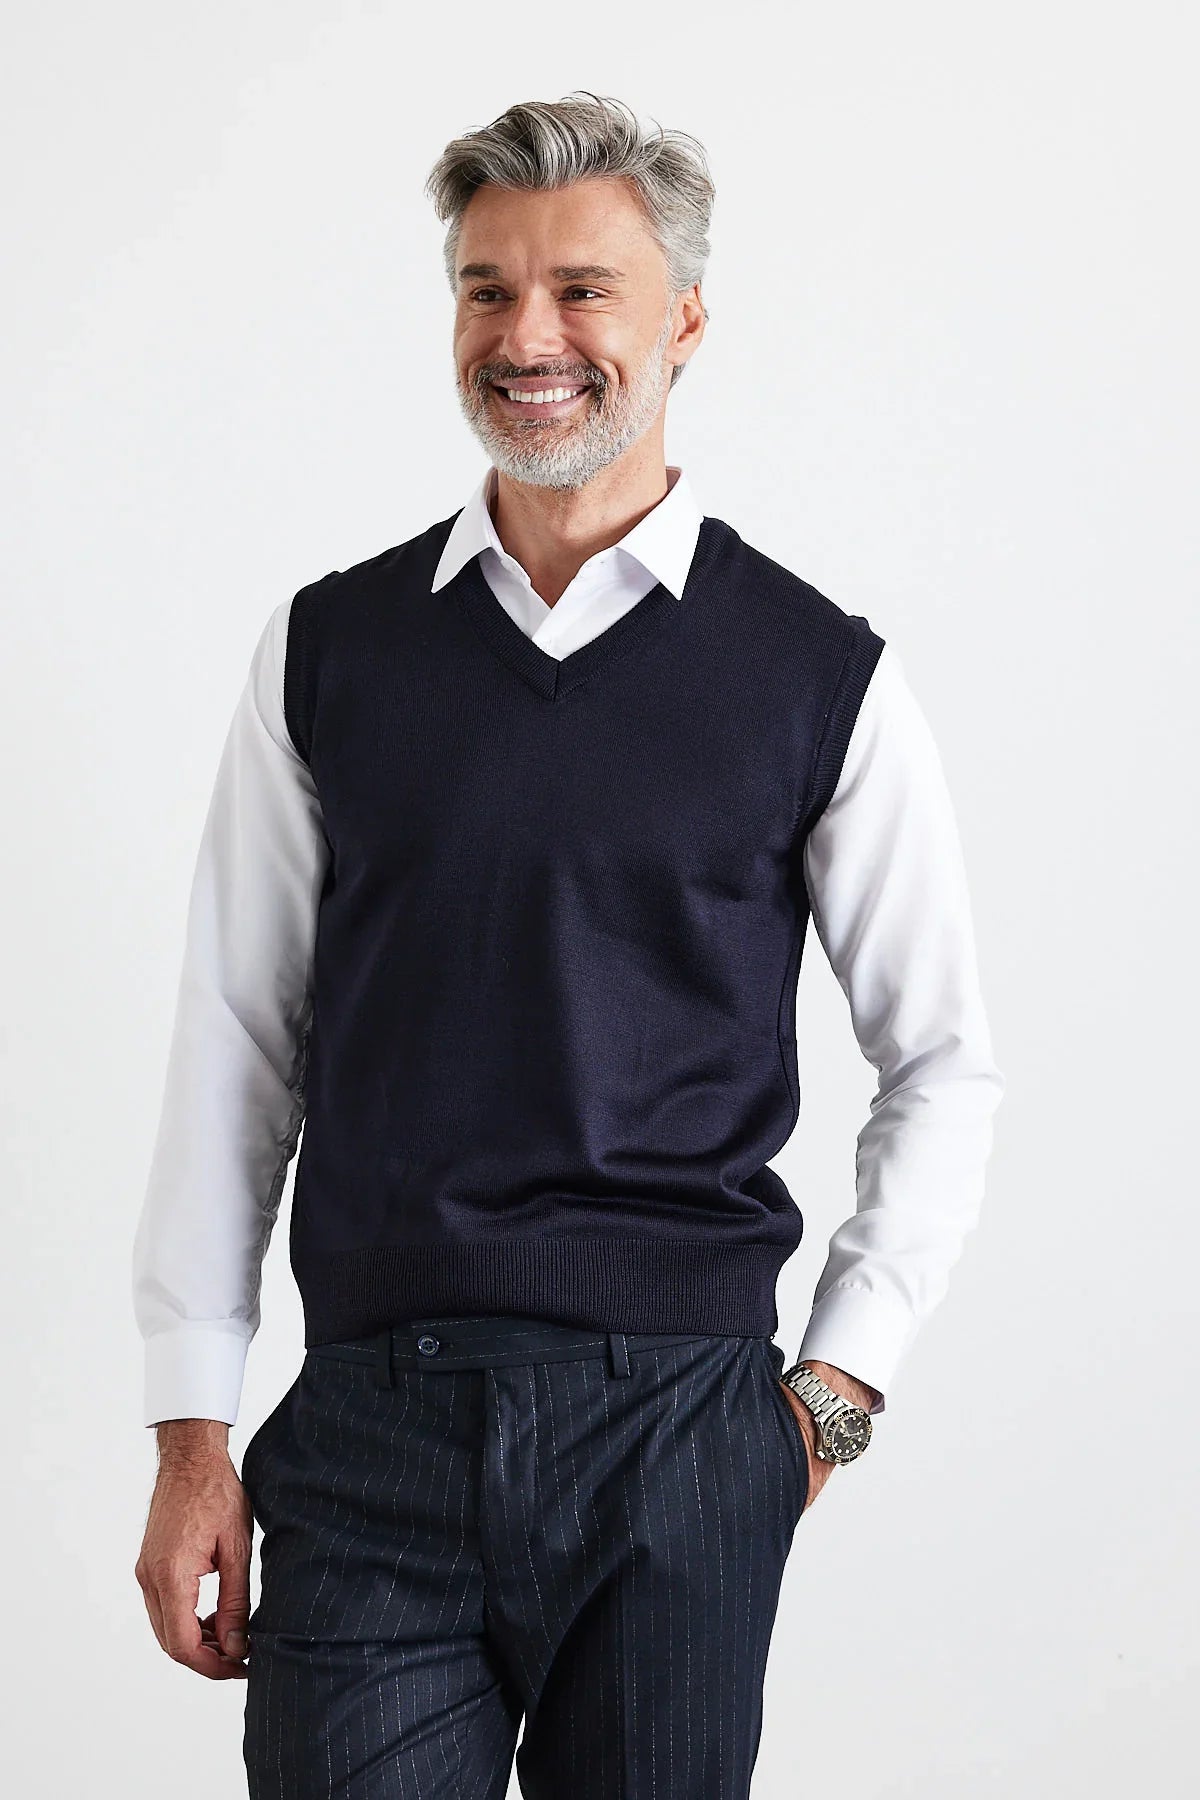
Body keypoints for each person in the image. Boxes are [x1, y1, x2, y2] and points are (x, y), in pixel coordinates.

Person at [132, 91, 1004, 1798]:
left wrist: (832, 1398)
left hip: (683, 1433)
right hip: (372, 1432)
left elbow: (945, 1061)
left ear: (685, 320)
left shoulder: (815, 674)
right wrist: (189, 1433)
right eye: (487, 288)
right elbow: (237, 1042)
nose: (527, 337)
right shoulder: (331, 652)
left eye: (582, 288)